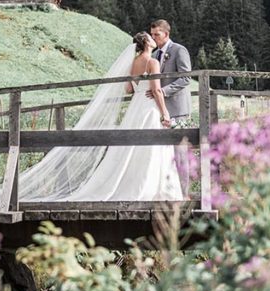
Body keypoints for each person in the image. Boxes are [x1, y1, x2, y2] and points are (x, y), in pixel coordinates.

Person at [63, 31, 183, 201]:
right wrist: (165, 113)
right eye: (150, 37)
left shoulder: (134, 62)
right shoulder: (152, 61)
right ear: (147, 43)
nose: (153, 38)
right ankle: (154, 189)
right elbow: (156, 90)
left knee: (132, 147)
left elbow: (128, 89)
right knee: (152, 146)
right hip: (149, 107)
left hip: (135, 107)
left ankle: (133, 185)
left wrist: (141, 87)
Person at [146, 19, 192, 193]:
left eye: (157, 34)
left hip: (178, 109)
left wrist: (163, 91)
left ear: (166, 34)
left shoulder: (179, 50)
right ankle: (169, 191)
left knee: (180, 153)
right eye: (152, 35)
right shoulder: (155, 54)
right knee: (164, 154)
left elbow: (186, 77)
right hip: (160, 110)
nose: (154, 37)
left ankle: (185, 193)